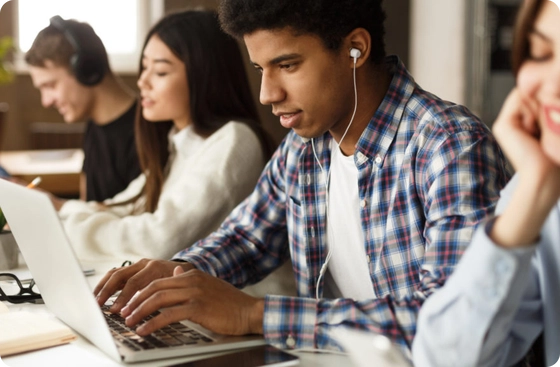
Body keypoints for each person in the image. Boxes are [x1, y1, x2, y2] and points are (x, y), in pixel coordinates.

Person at [93, 0, 511, 356]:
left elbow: (454, 325)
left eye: (287, 65)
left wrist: (252, 314)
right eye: (260, 69)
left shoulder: (449, 147)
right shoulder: (304, 146)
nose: (267, 93)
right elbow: (247, 239)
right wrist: (175, 276)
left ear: (355, 49)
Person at [45, 9, 272, 262]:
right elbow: (125, 207)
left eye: (160, 72)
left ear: (203, 75)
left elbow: (158, 241)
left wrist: (63, 225)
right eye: (144, 68)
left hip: (242, 299)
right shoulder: (178, 143)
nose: (143, 82)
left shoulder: (234, 140)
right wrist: (58, 208)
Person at [413, 1, 560, 366]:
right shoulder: (540, 196)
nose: (551, 84)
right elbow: (444, 360)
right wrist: (536, 189)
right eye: (541, 53)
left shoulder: (449, 139)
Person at [25, 16, 141, 202]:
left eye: (50, 85)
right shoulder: (94, 125)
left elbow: (137, 222)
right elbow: (87, 209)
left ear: (86, 70)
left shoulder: (147, 132)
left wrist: (56, 205)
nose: (46, 101)